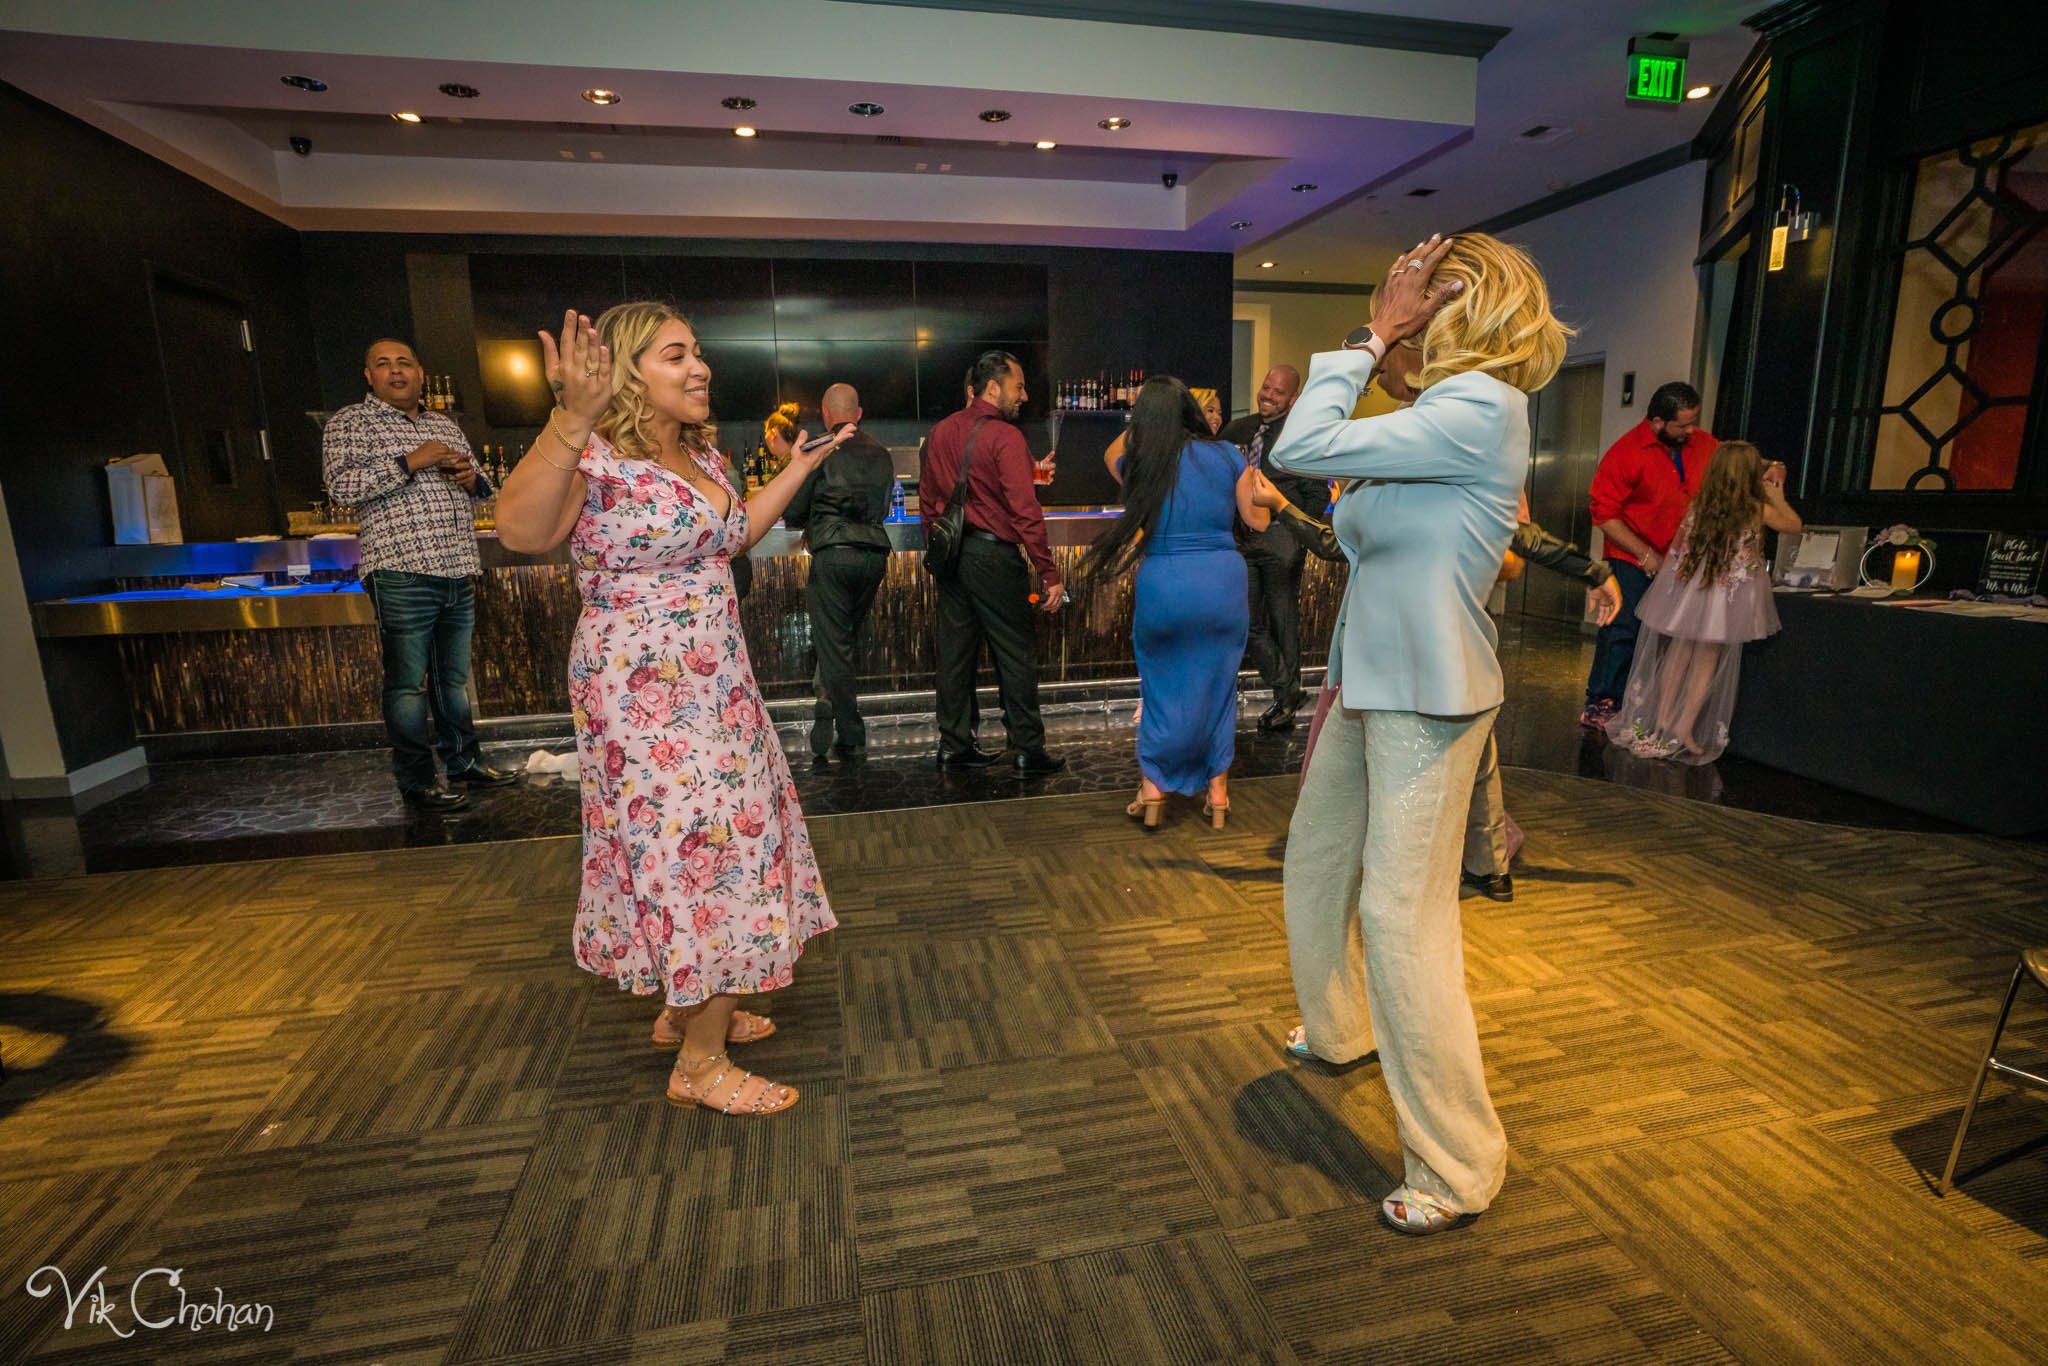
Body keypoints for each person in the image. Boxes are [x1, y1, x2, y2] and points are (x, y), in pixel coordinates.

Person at [1270, 231, 1569, 1235]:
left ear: (1457, 305)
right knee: (1315, 861)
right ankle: (1336, 1026)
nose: (1396, 318)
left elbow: (1300, 446)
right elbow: (1346, 521)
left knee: (1403, 921)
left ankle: (1457, 1164)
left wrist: (1368, 337)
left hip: (1426, 695)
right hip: (1370, 679)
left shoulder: (1481, 409)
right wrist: (1382, 357)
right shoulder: (1438, 414)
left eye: (1411, 302)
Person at [493, 302, 852, 1118]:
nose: (700, 369)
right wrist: (570, 416)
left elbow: (728, 538)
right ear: (625, 373)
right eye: (676, 356)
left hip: (718, 682)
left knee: (704, 840)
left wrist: (800, 466)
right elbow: (518, 530)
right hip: (643, 691)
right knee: (705, 849)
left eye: (699, 352)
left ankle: (684, 1003)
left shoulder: (699, 453)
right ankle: (700, 1060)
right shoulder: (595, 453)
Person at [1364, 342, 1624, 903]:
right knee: (1471, 747)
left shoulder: (1455, 441)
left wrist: (1593, 569)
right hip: (1434, 619)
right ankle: (1485, 865)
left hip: (1432, 621)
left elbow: (1515, 532)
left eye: (1385, 363)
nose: (1379, 372)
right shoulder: (1422, 436)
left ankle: (1428, 870)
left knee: (1434, 750)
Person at [323, 337, 515, 812]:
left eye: (404, 363)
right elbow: (341, 487)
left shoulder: (441, 424)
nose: (395, 371)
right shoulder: (350, 422)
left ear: (421, 372)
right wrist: (412, 460)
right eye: (383, 365)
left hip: (456, 567)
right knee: (408, 684)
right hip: (400, 570)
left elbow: (482, 492)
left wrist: (475, 482)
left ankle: (464, 762)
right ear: (368, 376)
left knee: (453, 679)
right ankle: (417, 782)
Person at [1080, 376, 1268, 828]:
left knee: (1160, 691)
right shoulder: (1229, 456)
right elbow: (1257, 521)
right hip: (1223, 584)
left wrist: (1145, 423)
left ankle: (1152, 790)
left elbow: (1109, 456)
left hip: (1165, 582)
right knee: (1220, 690)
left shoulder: (1146, 461)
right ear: (1191, 409)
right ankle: (1218, 795)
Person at [920, 349, 1066, 776]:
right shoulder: (1005, 437)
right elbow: (1025, 511)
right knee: (1015, 653)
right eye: (1018, 386)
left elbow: (928, 504)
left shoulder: (940, 432)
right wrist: (1048, 571)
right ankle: (1027, 749)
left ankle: (955, 745)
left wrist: (938, 546)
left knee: (955, 656)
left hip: (951, 557)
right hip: (992, 555)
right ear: (993, 387)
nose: (1023, 395)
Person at [1609, 441, 1800, 763]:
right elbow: (1794, 526)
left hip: (1695, 587)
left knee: (1680, 650)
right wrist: (1777, 496)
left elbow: (1681, 546)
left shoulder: (1702, 503)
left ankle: (1666, 715)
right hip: (1727, 595)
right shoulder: (1755, 507)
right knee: (1707, 658)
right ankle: (1683, 724)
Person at [1580, 381, 1718, 732]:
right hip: (1631, 554)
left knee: (1664, 634)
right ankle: (1601, 701)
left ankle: (1642, 703)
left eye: (1694, 422)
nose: (1692, 430)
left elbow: (1737, 463)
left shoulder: (1702, 444)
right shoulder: (1626, 452)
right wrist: (1645, 555)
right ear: (1658, 422)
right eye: (1683, 425)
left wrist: (1770, 465)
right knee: (1624, 628)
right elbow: (1604, 515)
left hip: (1680, 558)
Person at [787, 382, 897, 766]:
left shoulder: (818, 449)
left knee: (833, 643)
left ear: (826, 414)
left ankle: (850, 732)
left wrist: (811, 520)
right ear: (859, 413)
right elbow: (884, 506)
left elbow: (793, 510)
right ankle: (826, 698)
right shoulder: (882, 453)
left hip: (833, 553)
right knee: (844, 640)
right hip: (874, 555)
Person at [1220, 364, 1321, 731]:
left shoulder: (1302, 437)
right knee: (1247, 621)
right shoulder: (1238, 430)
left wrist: (1292, 530)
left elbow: (1317, 494)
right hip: (1242, 540)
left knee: (1283, 620)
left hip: (1281, 540)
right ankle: (1287, 689)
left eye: (1278, 393)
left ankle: (1286, 698)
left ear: (1292, 399)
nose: (1268, 396)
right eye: (1266, 388)